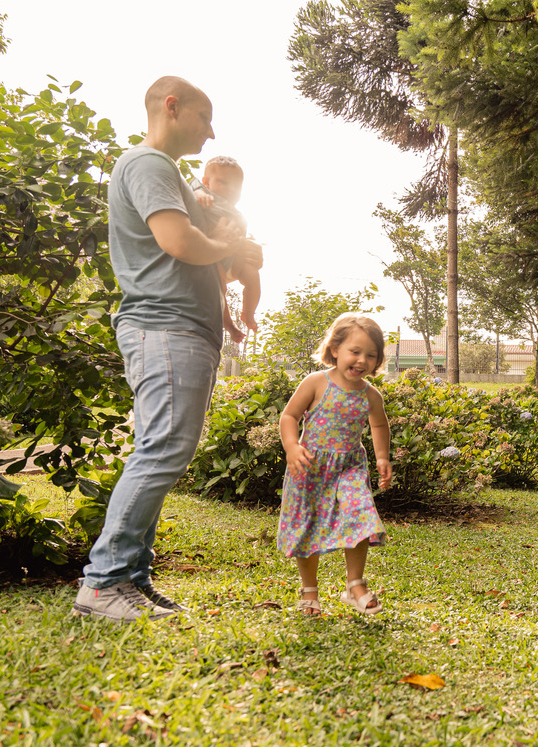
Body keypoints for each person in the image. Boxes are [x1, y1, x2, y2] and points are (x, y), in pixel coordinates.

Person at [73, 76, 262, 623]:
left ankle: (132, 579)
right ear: (172, 107)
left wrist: (236, 260)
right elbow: (179, 243)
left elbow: (199, 258)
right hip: (165, 326)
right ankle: (103, 584)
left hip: (181, 326)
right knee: (163, 451)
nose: (211, 132)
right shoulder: (149, 163)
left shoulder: (170, 175)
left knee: (162, 449)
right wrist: (227, 243)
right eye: (205, 117)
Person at [278, 314, 393, 616]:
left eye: (371, 355)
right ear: (335, 349)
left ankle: (355, 585)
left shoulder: (370, 395)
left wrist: (382, 457)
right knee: (306, 526)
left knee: (361, 517)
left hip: (349, 467)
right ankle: (309, 591)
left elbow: (379, 425)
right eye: (355, 351)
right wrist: (292, 446)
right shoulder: (316, 383)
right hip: (310, 467)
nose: (362, 360)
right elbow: (289, 416)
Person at [190, 155, 261, 340]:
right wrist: (199, 194)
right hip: (213, 256)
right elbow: (192, 189)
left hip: (232, 256)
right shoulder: (202, 192)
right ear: (207, 182)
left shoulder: (234, 210)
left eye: (236, 186)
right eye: (223, 182)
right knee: (218, 283)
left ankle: (248, 313)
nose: (231, 189)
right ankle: (228, 324)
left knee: (252, 274)